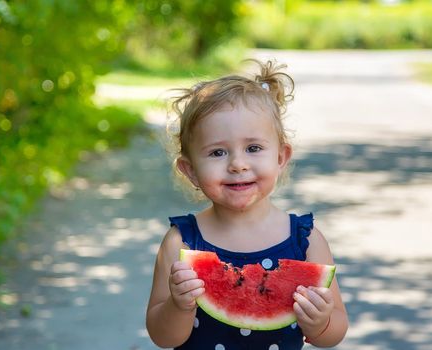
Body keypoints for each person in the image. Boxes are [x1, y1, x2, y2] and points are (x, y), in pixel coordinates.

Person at [146, 60, 348, 349]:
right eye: (217, 152)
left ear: (280, 158)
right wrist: (179, 307)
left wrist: (321, 323)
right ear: (190, 170)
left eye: (253, 148)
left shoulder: (306, 241)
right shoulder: (181, 243)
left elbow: (335, 332)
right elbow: (162, 337)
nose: (238, 164)